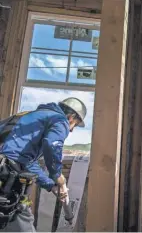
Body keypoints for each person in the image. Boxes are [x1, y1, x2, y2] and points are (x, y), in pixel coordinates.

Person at [0, 97, 87, 232]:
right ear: (71, 117)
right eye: (74, 125)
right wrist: (58, 177)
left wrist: (50, 185)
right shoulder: (59, 120)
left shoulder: (28, 116)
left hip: (6, 167)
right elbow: (52, 146)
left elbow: (26, 162)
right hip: (6, 175)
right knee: (20, 216)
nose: (71, 131)